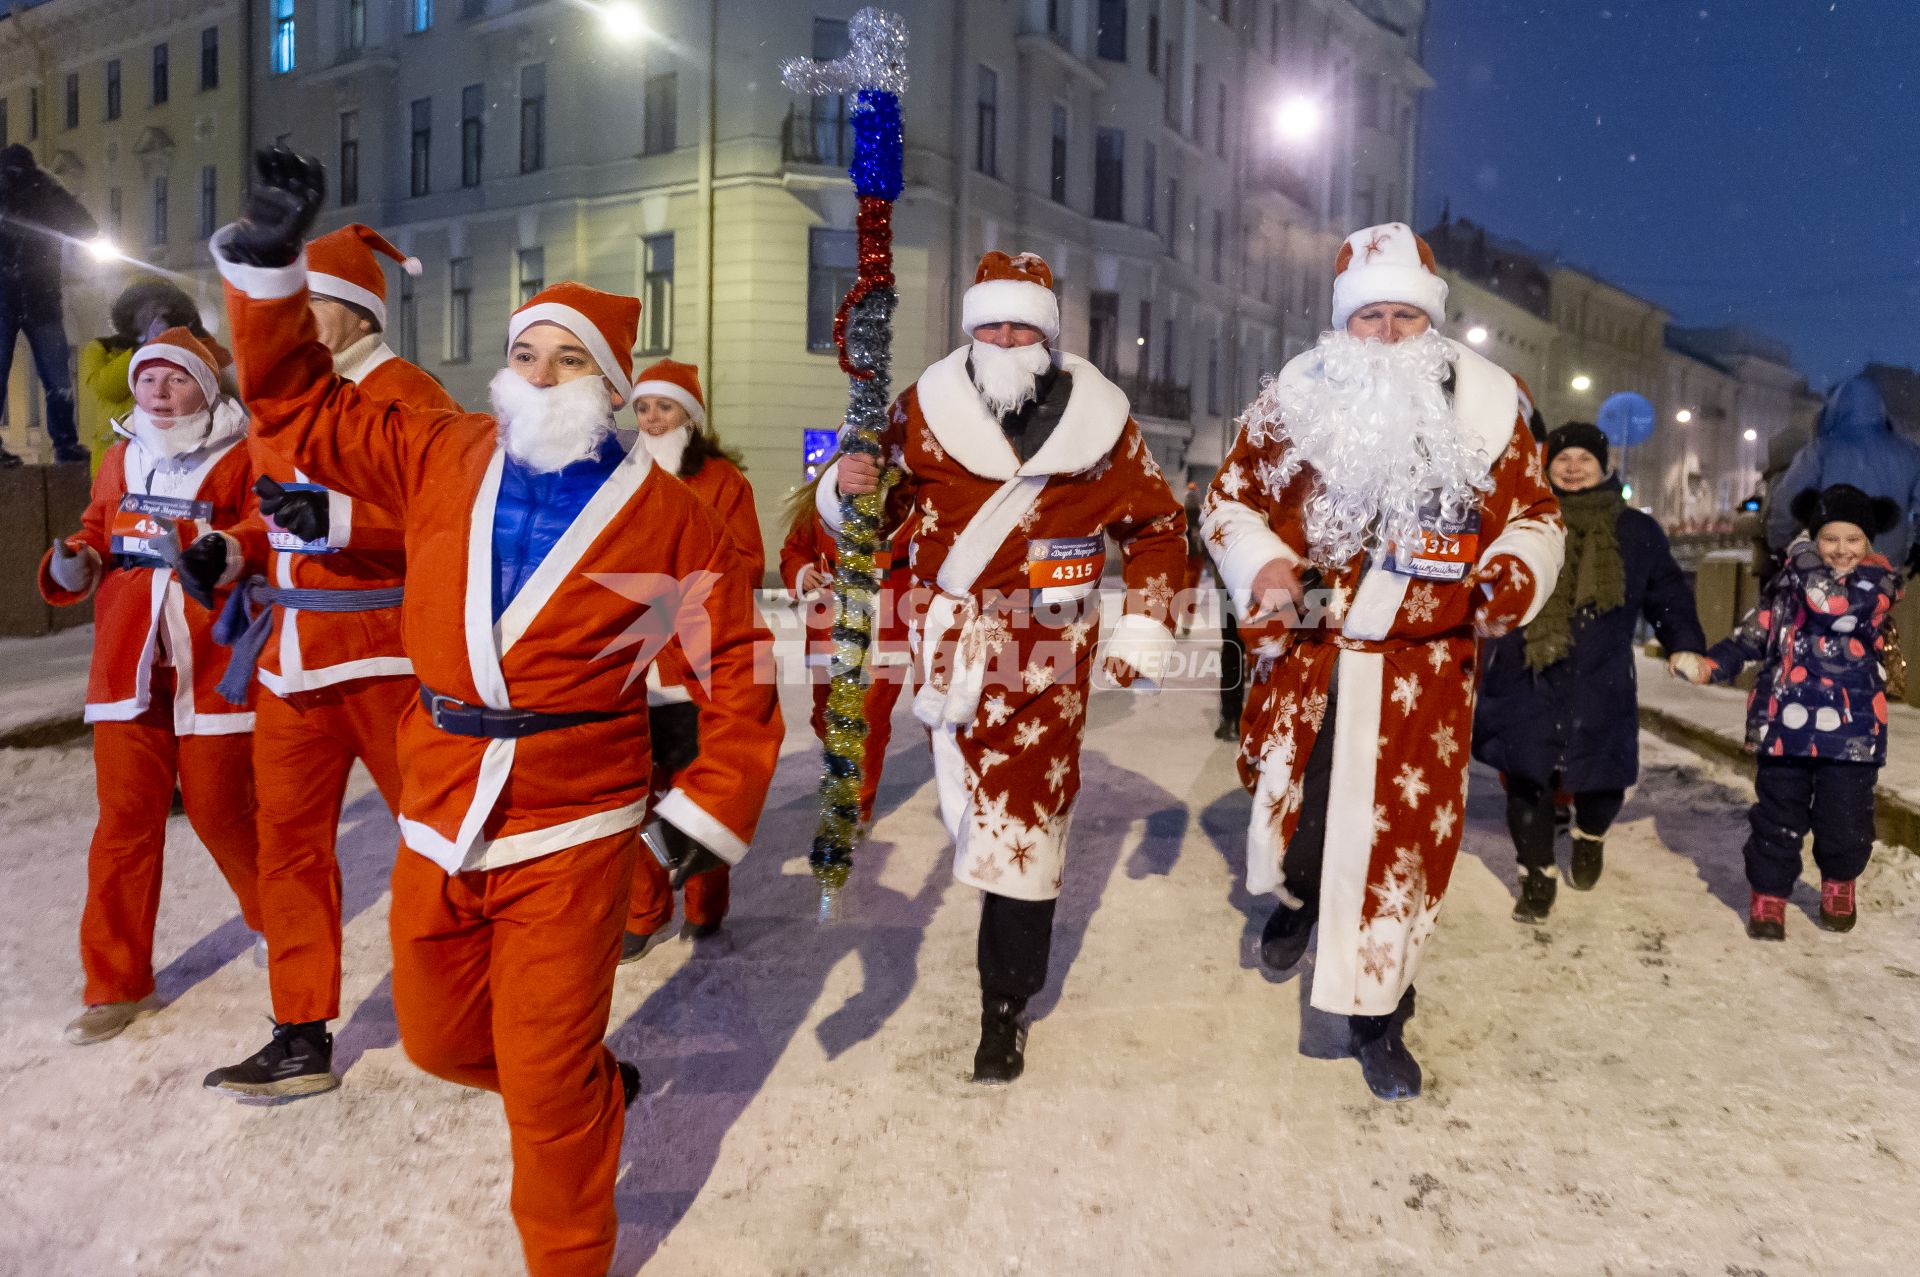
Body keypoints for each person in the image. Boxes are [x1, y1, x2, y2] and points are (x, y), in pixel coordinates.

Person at [210, 148, 781, 1277]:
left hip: (575, 818)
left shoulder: (668, 522)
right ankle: (582, 1082)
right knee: (437, 1036)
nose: (544, 369)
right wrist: (272, 272)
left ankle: (565, 1248)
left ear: (613, 389)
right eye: (528, 351)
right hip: (441, 800)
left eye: (572, 360)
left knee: (537, 1062)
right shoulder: (443, 452)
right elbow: (295, 406)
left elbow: (741, 678)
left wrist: (686, 827)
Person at [1201, 222, 1563, 1103]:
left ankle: (1380, 1018)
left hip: (1423, 674)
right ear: (1343, 323)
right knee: (1302, 827)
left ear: (1432, 322)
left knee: (1398, 851)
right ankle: (1296, 900)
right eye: (1372, 317)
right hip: (1313, 658)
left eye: (1408, 315)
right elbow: (1225, 504)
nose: (1391, 333)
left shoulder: (1489, 407)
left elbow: (1537, 516)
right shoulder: (1291, 403)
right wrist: (1263, 563)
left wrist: (1512, 573)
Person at [827, 249, 1187, 1084]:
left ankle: (1005, 1002)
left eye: (1021, 321)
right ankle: (1005, 951)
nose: (1004, 333)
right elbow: (880, 520)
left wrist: (1144, 624)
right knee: (972, 820)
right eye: (991, 320)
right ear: (971, 327)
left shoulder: (1104, 422)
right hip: (950, 651)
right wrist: (855, 486)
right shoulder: (920, 409)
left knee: (1027, 824)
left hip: (1050, 654)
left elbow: (1160, 528)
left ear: (1048, 333)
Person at [181, 224, 460, 1100]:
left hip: (384, 654)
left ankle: (480, 998)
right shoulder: (285, 404)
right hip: (290, 661)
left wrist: (337, 525)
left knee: (442, 837)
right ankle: (299, 1030)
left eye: (307, 309)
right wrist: (231, 551)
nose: (290, 325)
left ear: (354, 311)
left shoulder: (410, 393)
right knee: (288, 849)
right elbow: (275, 521)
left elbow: (450, 520)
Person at [35, 327, 262, 1045]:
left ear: (208, 386)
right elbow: (97, 532)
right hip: (128, 661)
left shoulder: (244, 451)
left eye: (177, 380)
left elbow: (260, 533)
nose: (159, 395)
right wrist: (74, 563)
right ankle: (115, 983)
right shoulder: (120, 456)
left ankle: (277, 924)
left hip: (212, 657)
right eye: (147, 380)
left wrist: (226, 552)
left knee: (222, 809)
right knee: (123, 824)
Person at [1473, 421, 1708, 922]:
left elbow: (1667, 595)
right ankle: (1536, 873)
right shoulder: (1523, 523)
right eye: (1564, 459)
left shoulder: (1634, 530)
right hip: (1528, 672)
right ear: (1547, 465)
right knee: (1527, 777)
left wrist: (1684, 645)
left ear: (1604, 468)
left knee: (1603, 782)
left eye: (1585, 459)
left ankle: (1589, 834)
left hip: (1600, 677)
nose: (1574, 467)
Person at [1672, 484, 1901, 940]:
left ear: (1868, 544)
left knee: (1846, 822)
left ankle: (1839, 883)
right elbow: (1750, 638)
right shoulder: (1788, 587)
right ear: (1815, 538)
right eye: (1830, 538)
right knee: (1777, 818)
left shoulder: (1874, 585)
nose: (1841, 549)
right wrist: (1708, 665)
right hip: (1783, 727)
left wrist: (1798, 556)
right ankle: (1769, 897)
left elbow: (1831, 607)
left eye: (1853, 539)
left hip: (1850, 735)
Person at [621, 358, 766, 961]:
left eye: (666, 407)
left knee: (697, 787)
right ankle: (642, 911)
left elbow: (748, 562)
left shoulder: (724, 482)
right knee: (632, 795)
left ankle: (706, 905)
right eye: (644, 407)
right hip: (628, 668)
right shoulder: (618, 474)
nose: (653, 420)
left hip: (697, 665)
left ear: (692, 416)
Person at [778, 476, 913, 833]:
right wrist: (802, 572)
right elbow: (795, 550)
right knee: (827, 715)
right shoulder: (822, 499)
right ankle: (841, 779)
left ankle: (854, 808)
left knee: (868, 720)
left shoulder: (911, 498)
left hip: (886, 626)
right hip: (830, 622)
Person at [0, 143, 97, 464]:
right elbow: (85, 227)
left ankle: (66, 445)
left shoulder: (42, 192)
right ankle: (66, 444)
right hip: (40, 298)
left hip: (24, 298)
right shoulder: (44, 191)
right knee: (57, 378)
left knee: (52, 375)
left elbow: (85, 228)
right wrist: (51, 189)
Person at [1766, 375, 1920, 571]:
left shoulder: (1820, 451)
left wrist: (1779, 544)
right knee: (1878, 600)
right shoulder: (1908, 453)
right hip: (1885, 566)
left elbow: (1788, 500)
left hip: (1829, 564)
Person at [78, 279, 210, 476]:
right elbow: (107, 388)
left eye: (163, 312)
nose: (155, 317)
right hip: (116, 457)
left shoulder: (179, 352)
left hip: (167, 457)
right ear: (131, 313)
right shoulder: (101, 349)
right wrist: (147, 346)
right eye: (150, 308)